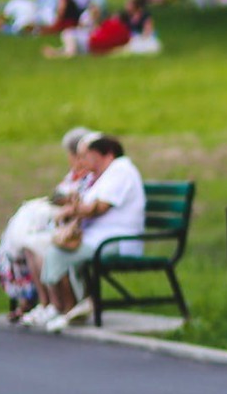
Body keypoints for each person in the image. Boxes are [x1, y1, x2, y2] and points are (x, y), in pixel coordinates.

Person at [32, 135, 147, 332]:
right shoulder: (106, 174)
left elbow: (99, 207)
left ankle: (68, 308)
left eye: (89, 155)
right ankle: (77, 304)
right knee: (51, 248)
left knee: (58, 253)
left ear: (107, 155)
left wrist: (73, 210)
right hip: (100, 237)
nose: (84, 160)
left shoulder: (121, 171)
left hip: (116, 240)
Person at [0, 128, 99, 321]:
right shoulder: (76, 175)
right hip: (60, 226)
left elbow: (79, 204)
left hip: (72, 230)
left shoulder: (91, 176)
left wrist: (66, 205)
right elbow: (59, 197)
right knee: (25, 230)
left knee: (26, 230)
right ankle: (39, 301)